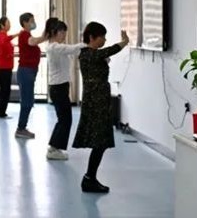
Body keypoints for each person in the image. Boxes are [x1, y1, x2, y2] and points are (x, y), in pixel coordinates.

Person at [72, 22, 130, 193]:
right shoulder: (89, 54)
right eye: (102, 37)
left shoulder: (91, 55)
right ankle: (89, 178)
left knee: (101, 142)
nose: (104, 40)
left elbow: (104, 55)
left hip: (99, 101)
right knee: (100, 141)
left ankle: (90, 178)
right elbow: (109, 51)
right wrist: (124, 42)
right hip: (95, 103)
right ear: (91, 37)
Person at [43, 19, 86, 161]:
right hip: (58, 88)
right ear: (54, 32)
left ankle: (54, 148)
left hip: (60, 87)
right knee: (65, 119)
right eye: (62, 32)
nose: (64, 35)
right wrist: (87, 44)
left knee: (64, 119)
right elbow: (72, 48)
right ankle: (54, 149)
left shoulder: (57, 48)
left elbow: (73, 51)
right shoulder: (54, 47)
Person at [16, 13, 47, 139]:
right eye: (31, 21)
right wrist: (45, 36)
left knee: (28, 100)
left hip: (29, 72)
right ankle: (21, 128)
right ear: (25, 23)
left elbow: (35, 41)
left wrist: (45, 36)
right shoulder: (24, 34)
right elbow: (32, 42)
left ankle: (22, 127)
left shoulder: (28, 35)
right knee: (27, 101)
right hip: (26, 72)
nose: (33, 23)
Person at [0, 17, 17, 119]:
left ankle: (1, 111)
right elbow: (4, 42)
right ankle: (0, 112)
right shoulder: (0, 35)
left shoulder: (5, 36)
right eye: (8, 23)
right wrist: (16, 35)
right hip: (3, 68)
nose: (10, 25)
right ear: (2, 25)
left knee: (6, 90)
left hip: (7, 67)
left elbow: (7, 47)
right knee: (5, 90)